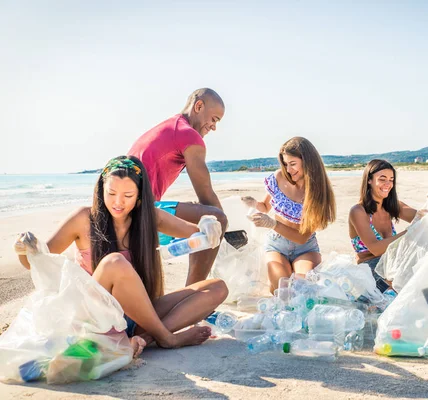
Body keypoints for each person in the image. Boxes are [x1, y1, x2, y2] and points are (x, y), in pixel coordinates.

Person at [14, 156, 228, 355]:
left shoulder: (148, 217)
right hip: (96, 316)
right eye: (111, 193)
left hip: (137, 315)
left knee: (218, 287)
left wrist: (207, 224)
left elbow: (198, 233)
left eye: (127, 196)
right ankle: (167, 338)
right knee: (114, 262)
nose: (118, 202)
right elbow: (39, 261)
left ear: (139, 196)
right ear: (101, 189)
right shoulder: (83, 218)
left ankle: (145, 338)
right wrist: (24, 250)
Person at [128, 88, 227, 286]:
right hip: (141, 215)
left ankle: (191, 292)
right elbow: (205, 193)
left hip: (128, 208)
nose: (214, 127)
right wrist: (225, 231)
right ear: (199, 106)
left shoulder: (172, 126)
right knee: (216, 219)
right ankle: (192, 294)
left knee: (204, 216)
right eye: (214, 119)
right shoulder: (188, 135)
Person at [241, 137, 336, 292]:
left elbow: (302, 237)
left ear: (308, 162)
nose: (289, 169)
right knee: (281, 288)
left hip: (306, 248)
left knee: (301, 288)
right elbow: (265, 206)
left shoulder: (318, 192)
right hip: (277, 245)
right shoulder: (279, 177)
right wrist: (253, 203)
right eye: (286, 164)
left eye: (293, 164)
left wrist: (272, 224)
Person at [348, 159, 423, 280]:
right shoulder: (358, 211)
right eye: (382, 179)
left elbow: (421, 219)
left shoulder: (392, 206)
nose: (388, 184)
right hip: (371, 269)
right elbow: (376, 249)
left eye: (391, 180)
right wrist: (409, 232)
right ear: (369, 180)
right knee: (416, 282)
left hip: (393, 264)